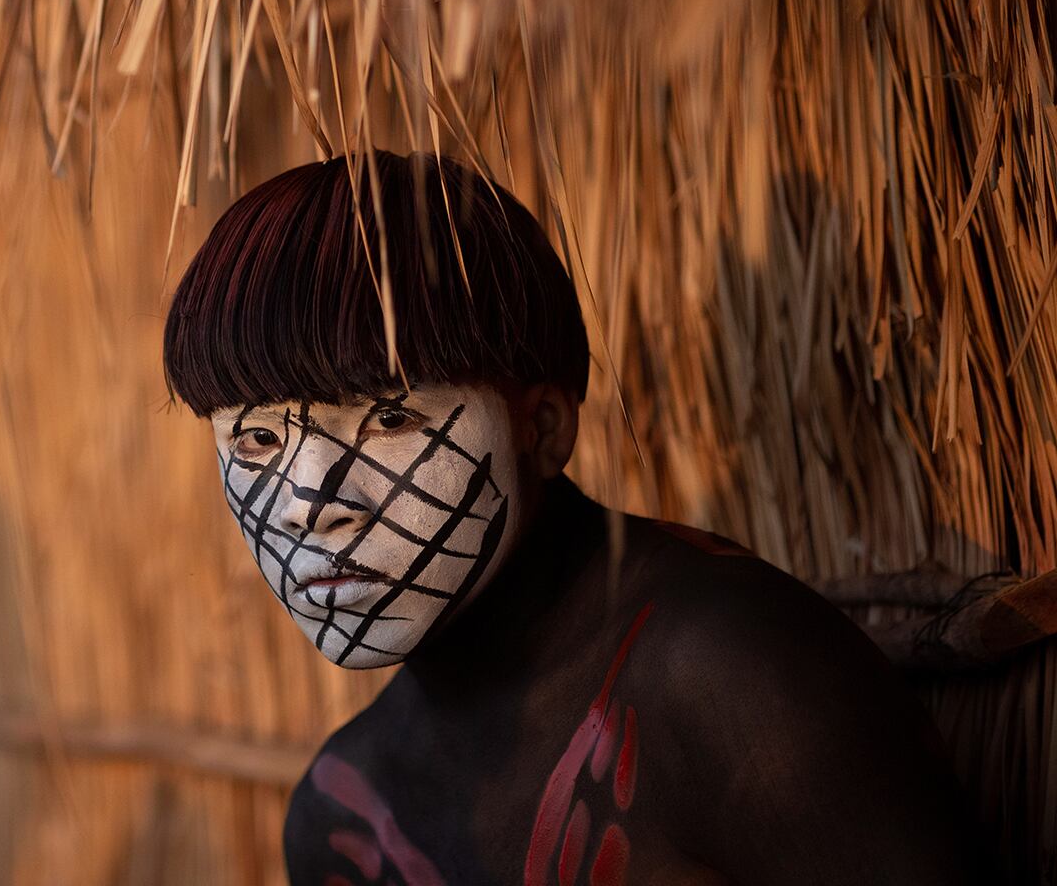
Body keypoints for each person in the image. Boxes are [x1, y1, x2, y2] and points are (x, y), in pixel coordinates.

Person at [163, 154, 985, 886]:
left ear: (544, 428)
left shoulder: (729, 678)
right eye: (260, 439)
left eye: (389, 420)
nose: (312, 504)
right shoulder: (342, 816)